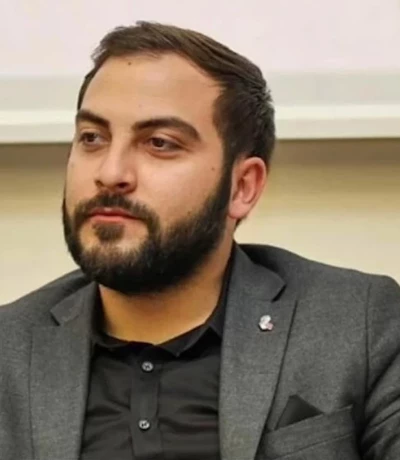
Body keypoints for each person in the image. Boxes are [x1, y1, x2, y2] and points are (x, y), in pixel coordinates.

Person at [1, 21, 400, 460]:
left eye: (159, 143)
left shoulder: (357, 324)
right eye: (92, 138)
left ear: (242, 187)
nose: (111, 173)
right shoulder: (8, 351)